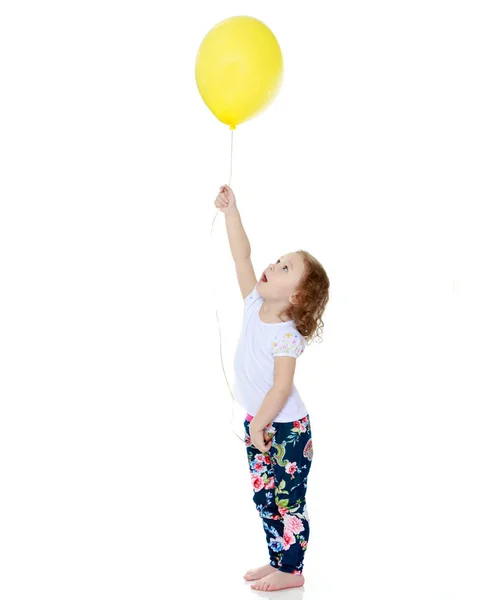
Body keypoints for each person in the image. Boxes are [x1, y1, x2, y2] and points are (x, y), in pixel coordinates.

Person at [214, 184, 330, 592]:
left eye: (285, 268)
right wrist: (232, 213)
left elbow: (281, 388)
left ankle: (293, 569)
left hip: (285, 430)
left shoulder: (284, 335)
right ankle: (278, 560)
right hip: (258, 424)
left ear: (296, 296)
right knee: (264, 498)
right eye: (278, 260)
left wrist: (259, 425)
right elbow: (241, 255)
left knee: (288, 500)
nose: (272, 264)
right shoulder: (252, 303)